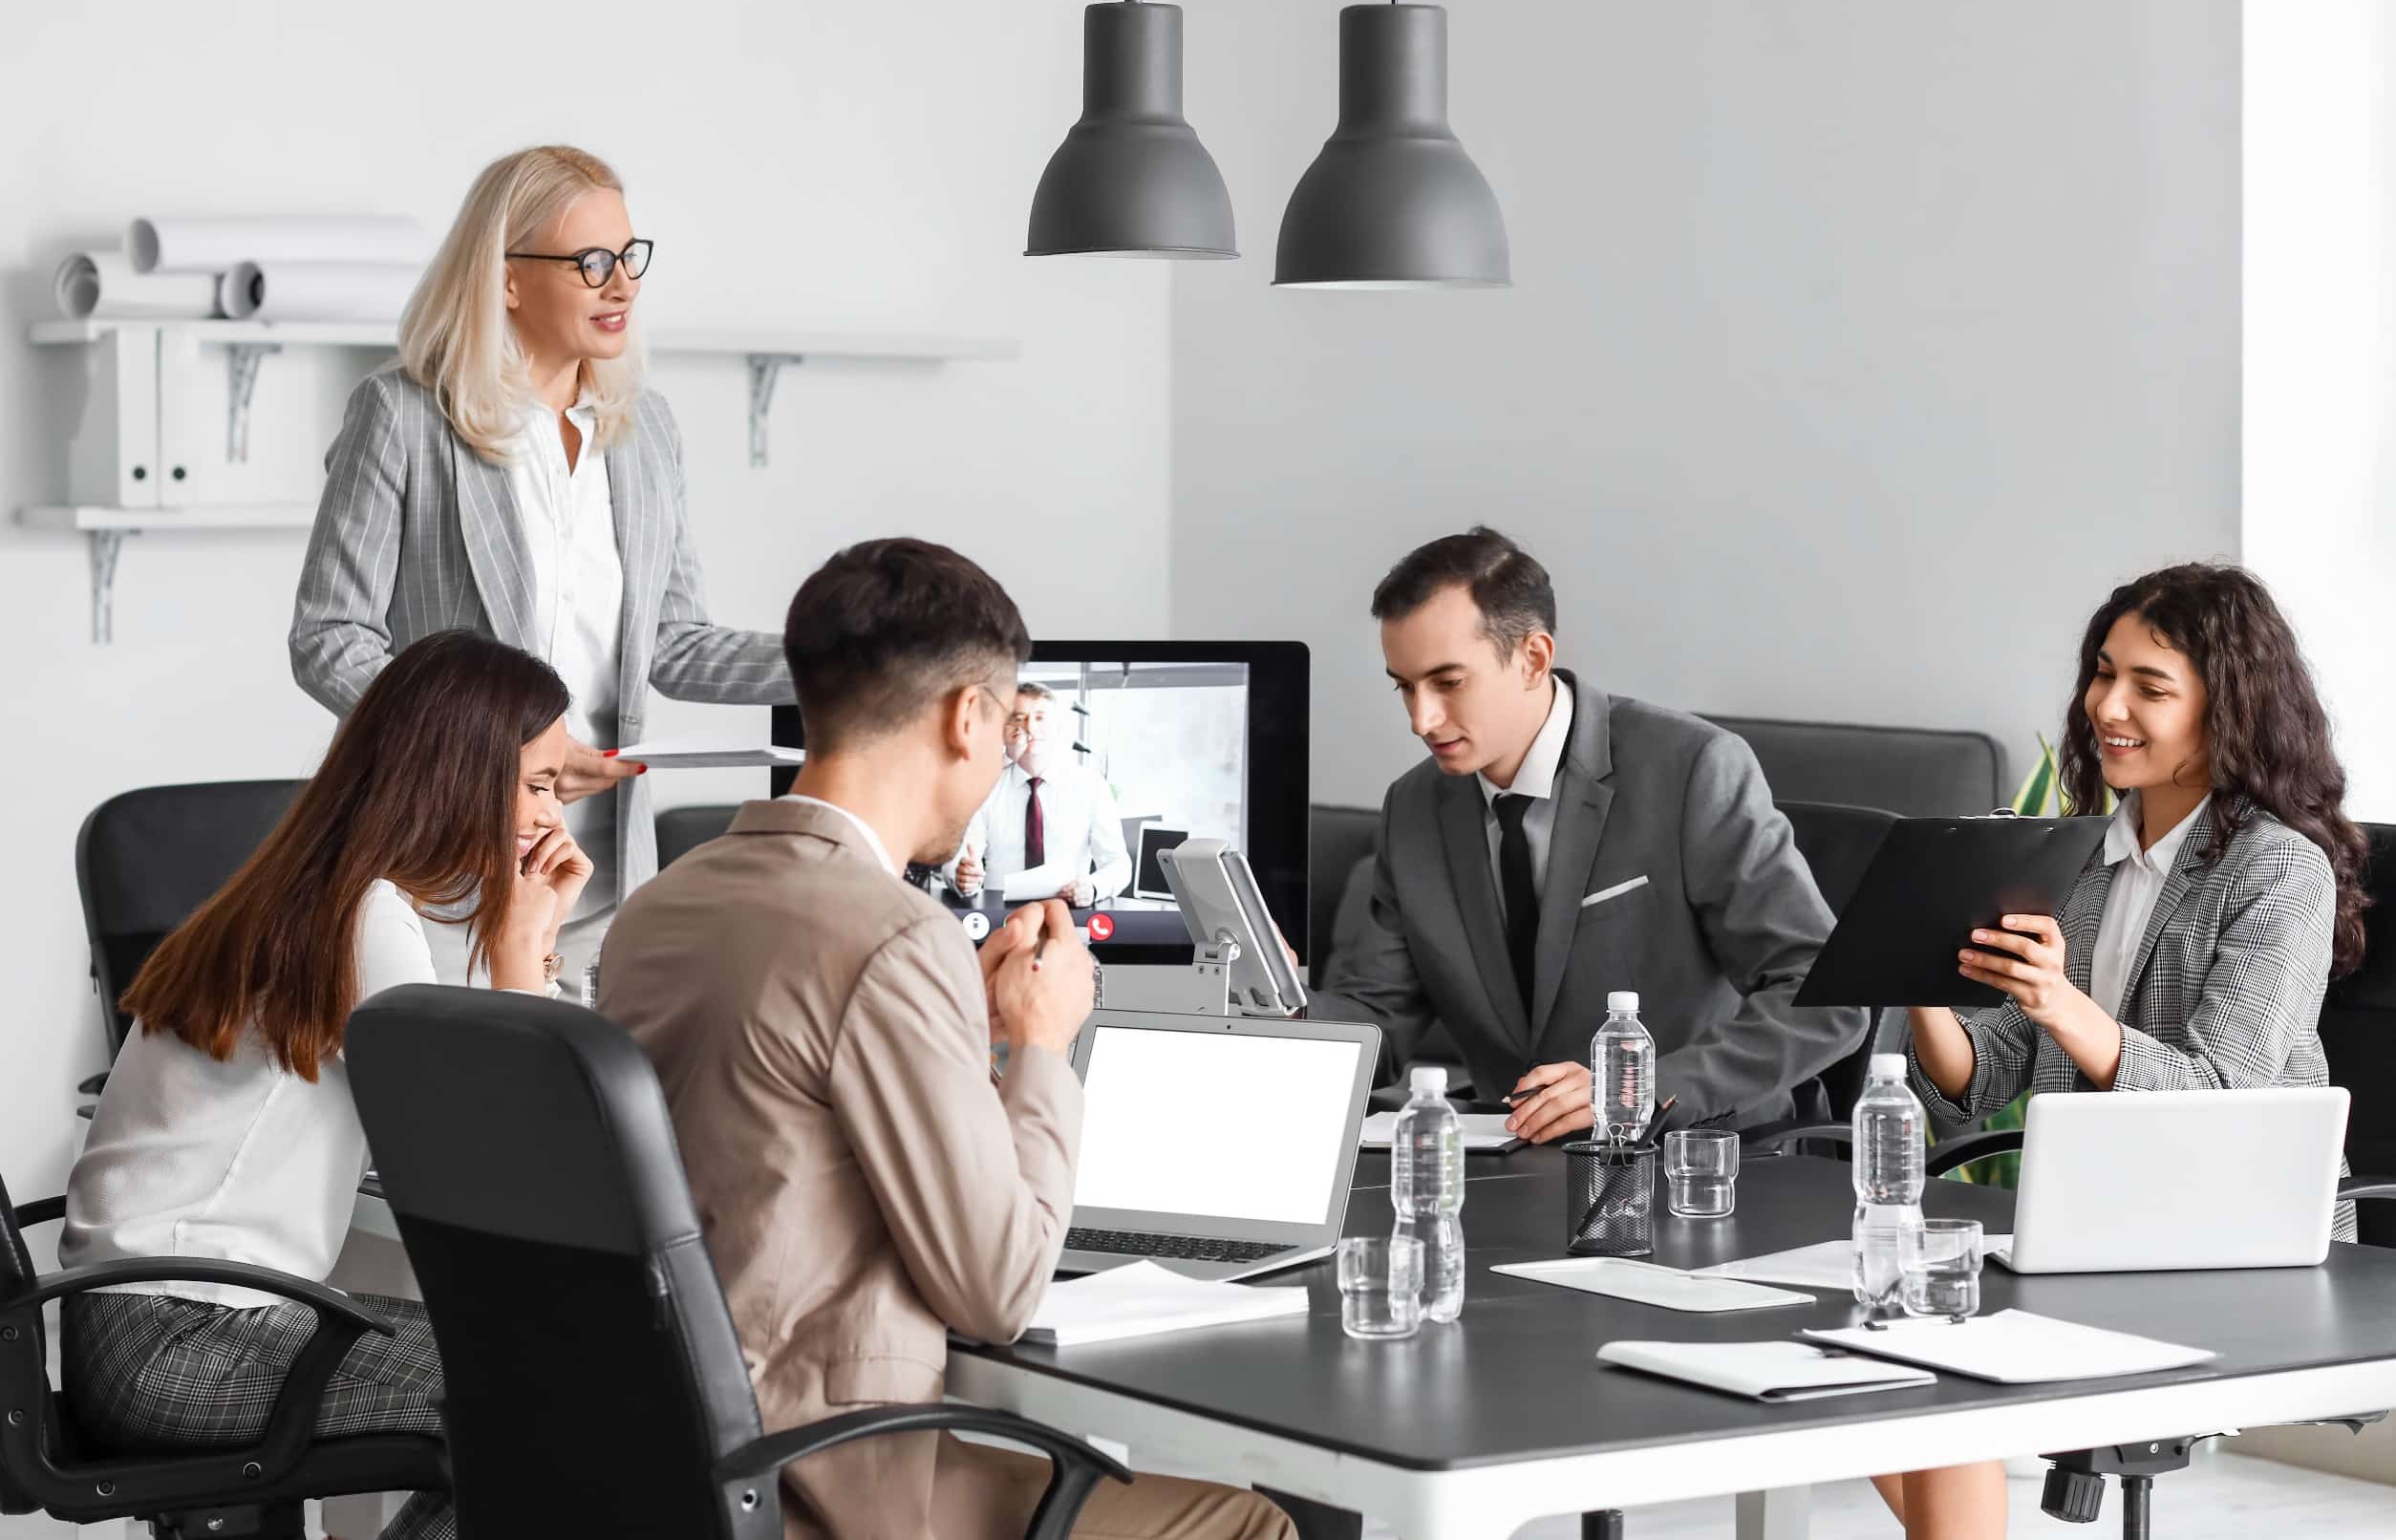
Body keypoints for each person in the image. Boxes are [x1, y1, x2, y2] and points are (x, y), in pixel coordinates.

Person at [595, 539, 1291, 1540]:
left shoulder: (660, 906)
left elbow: (773, 1126)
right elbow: (999, 1289)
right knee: (1244, 1521)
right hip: (820, 1481)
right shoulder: (890, 934)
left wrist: (955, 1013)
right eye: (1009, 723)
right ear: (970, 717)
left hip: (665, 1465)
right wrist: (1043, 1043)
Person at [59, 631, 590, 1540]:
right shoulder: (363, 919)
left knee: (534, 1382)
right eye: (539, 784)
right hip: (186, 1339)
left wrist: (520, 950)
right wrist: (520, 948)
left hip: (146, 1326)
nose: (550, 817)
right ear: (458, 770)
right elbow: (478, 1163)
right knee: (553, 1396)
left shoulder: (320, 890)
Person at [1881, 563, 2368, 1540]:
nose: (2108, 705)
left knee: (1933, 1364)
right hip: (2090, 1226)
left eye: (2151, 687)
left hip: (2233, 1244)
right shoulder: (2091, 858)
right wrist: (1909, 972)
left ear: (2226, 709)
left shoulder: (2281, 871)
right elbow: (1983, 1076)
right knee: (1878, 1343)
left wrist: (2063, 1003)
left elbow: (2222, 1097)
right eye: (2104, 674)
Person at [290, 143, 791, 997]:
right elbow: (329, 640)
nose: (622, 285)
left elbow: (672, 642)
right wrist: (509, 748)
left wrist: (851, 665)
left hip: (595, 862)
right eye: (592, 262)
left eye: (630, 258)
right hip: (435, 857)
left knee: (565, 1108)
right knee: (445, 1107)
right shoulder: (405, 415)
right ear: (507, 279)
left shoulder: (646, 428)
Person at [1313, 526, 1861, 1141]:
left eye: (1448, 682)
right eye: (1404, 686)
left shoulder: (1691, 768)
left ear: (1533, 658)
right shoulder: (1413, 807)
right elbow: (1381, 1014)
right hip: (1511, 1168)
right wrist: (1272, 1010)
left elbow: (1824, 994)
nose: (1422, 719)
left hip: (1705, 1159)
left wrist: (1642, 1088)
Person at [949, 680, 1131, 907]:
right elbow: (960, 857)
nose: (1030, 728)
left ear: (1058, 727)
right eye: (1018, 717)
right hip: (1000, 923)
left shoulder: (1092, 787)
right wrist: (963, 876)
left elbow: (1118, 865)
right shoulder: (986, 787)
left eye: (1040, 717)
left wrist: (1093, 887)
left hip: (1069, 921)